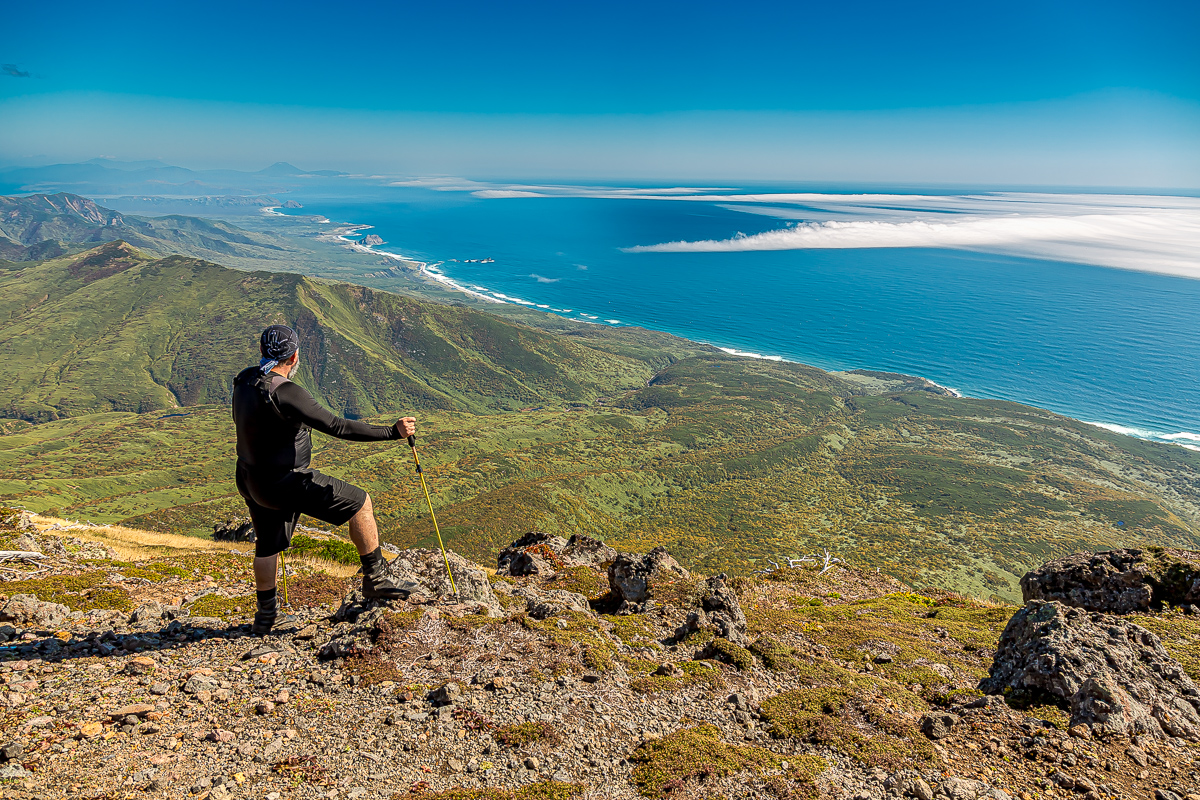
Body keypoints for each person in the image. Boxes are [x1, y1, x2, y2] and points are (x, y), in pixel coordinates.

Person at [232, 324, 416, 634]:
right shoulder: (286, 392)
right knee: (360, 503)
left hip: (250, 477)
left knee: (267, 545)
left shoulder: (244, 380)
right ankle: (376, 578)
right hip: (285, 482)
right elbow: (338, 426)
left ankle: (266, 617)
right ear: (294, 356)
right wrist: (391, 432)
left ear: (263, 351)